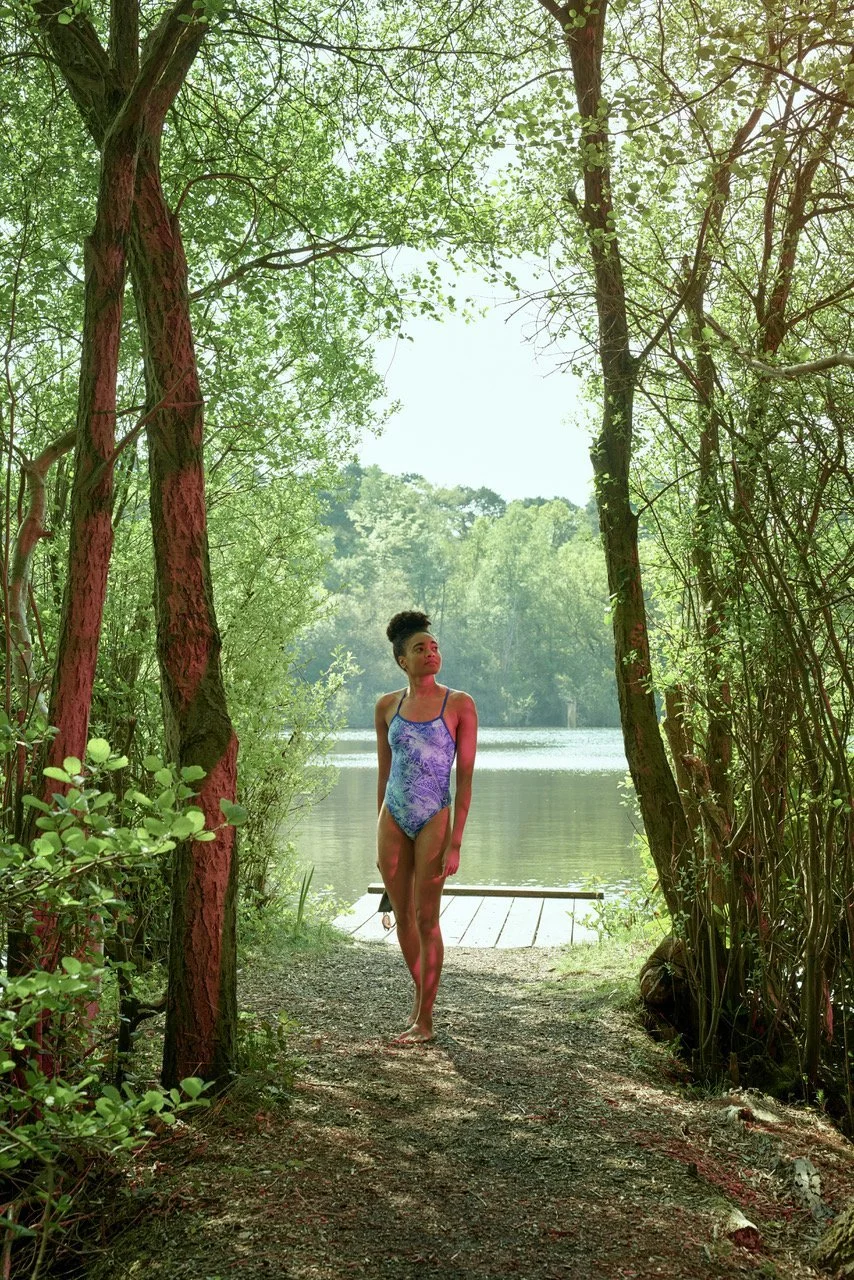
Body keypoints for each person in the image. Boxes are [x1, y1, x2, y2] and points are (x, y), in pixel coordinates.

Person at [375, 610, 478, 1043]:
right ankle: (421, 1003)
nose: (431, 653)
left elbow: (466, 776)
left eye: (434, 647)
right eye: (421, 649)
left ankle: (425, 1021)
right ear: (403, 659)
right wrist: (376, 831)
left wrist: (455, 843)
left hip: (435, 813)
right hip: (392, 817)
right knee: (402, 918)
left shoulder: (459, 704)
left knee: (426, 917)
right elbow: (383, 774)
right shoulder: (387, 707)